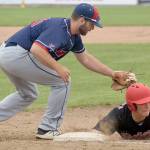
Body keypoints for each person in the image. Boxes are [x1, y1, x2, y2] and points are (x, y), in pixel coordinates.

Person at [0, 3, 127, 140]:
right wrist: (58, 68)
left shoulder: (73, 36)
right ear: (82, 20)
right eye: (92, 24)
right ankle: (48, 128)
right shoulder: (60, 29)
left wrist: (112, 73)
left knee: (29, 94)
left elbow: (86, 59)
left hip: (10, 54)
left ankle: (44, 127)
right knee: (62, 81)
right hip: (17, 54)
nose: (93, 28)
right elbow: (36, 49)